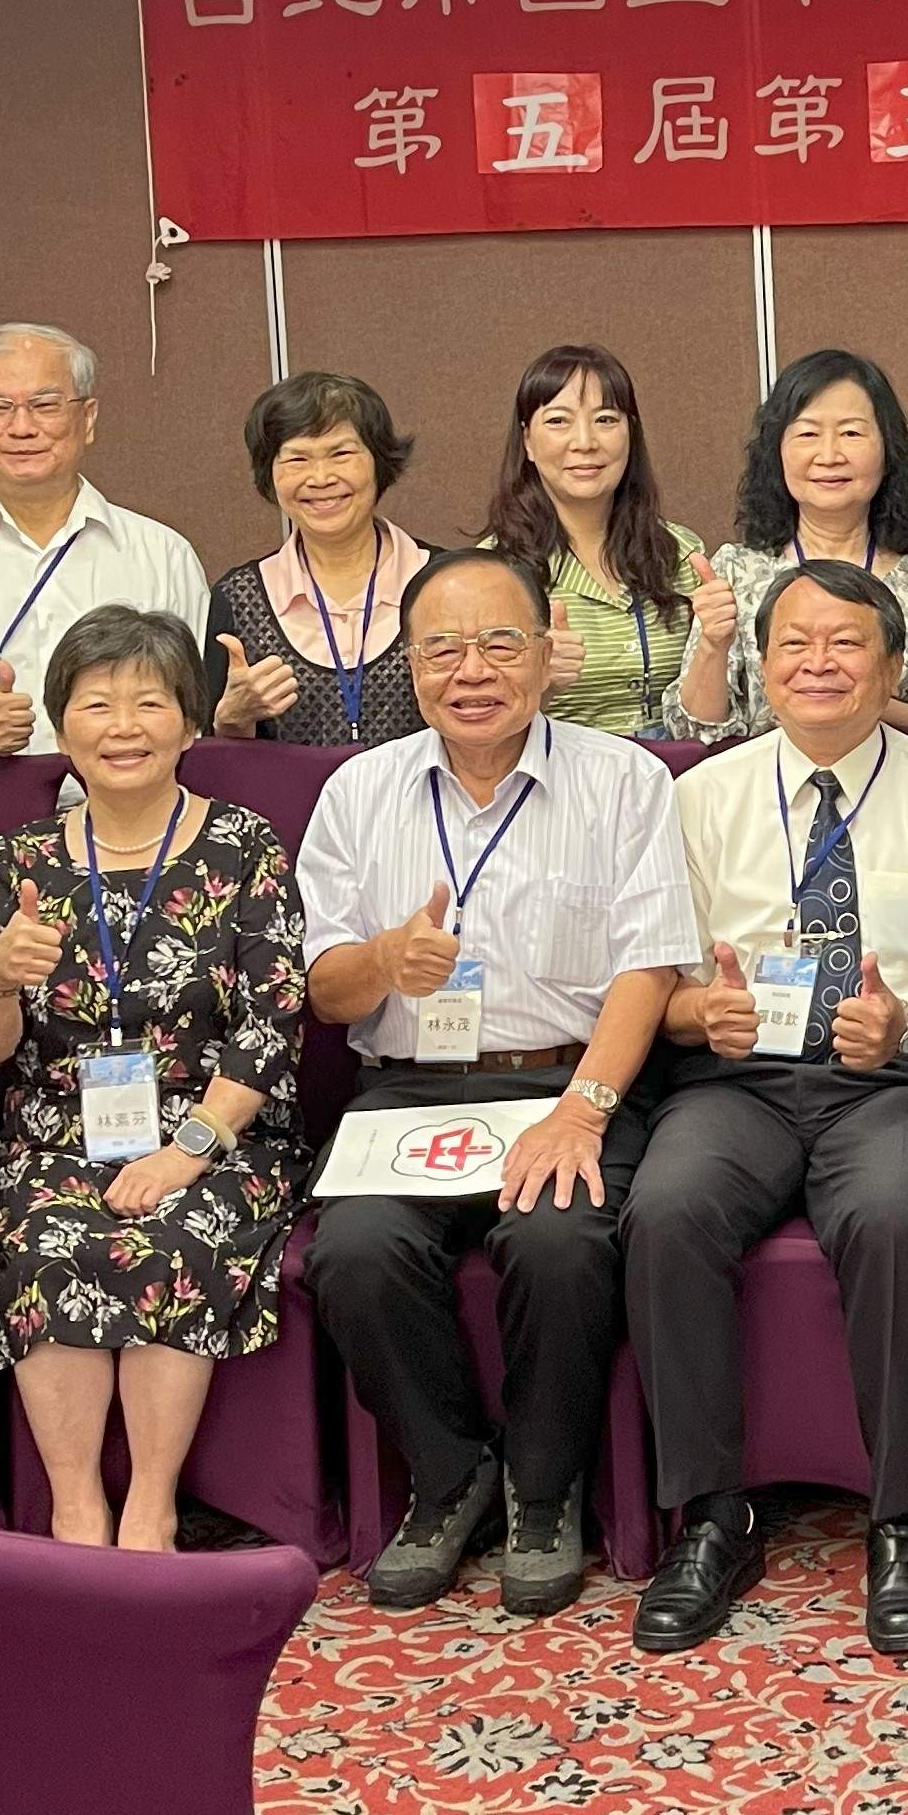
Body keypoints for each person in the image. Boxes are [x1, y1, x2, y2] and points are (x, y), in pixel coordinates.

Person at [298, 546, 696, 1618]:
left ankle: (544, 1488)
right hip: (409, 1087)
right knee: (353, 1251)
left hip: (568, 1079)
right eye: (442, 649)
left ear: (548, 652)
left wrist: (584, 1112)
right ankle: (449, 1474)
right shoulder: (357, 792)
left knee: (559, 1240)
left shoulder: (623, 780)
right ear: (408, 663)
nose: (471, 671)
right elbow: (327, 990)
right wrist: (386, 961)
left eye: (498, 643)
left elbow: (650, 968)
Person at [634, 561, 908, 1656]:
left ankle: (902, 1520)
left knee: (892, 1216)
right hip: (738, 1083)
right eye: (793, 644)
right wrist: (701, 1015)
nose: (818, 664)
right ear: (760, 665)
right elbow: (658, 990)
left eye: (845, 643)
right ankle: (713, 1516)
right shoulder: (701, 796)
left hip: (897, 1082)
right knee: (666, 1209)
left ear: (893, 667)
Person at [0, 606, 306, 1548]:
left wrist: (186, 1152)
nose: (123, 727)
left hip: (218, 1132)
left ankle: (152, 1505)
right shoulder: (21, 861)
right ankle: (75, 1505)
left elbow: (272, 1020)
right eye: (96, 704)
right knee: (44, 1245)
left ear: (189, 723)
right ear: (61, 727)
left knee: (173, 1237)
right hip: (57, 1135)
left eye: (149, 703)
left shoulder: (243, 845)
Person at [0, 323, 207, 755]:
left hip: (129, 789)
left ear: (88, 418)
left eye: (45, 405)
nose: (22, 427)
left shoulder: (163, 556)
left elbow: (197, 704)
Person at [673, 350, 908, 736]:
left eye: (851, 433)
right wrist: (713, 644)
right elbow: (695, 733)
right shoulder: (737, 570)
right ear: (777, 451)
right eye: (808, 434)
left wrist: (850, 698)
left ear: (887, 449)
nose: (829, 456)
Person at [472, 343, 715, 739]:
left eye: (605, 419)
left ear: (630, 433)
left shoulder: (680, 552)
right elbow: (478, 725)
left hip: (676, 770)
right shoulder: (493, 572)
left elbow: (709, 723)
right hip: (557, 771)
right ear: (528, 441)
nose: (585, 442)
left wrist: (715, 644)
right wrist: (542, 685)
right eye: (558, 421)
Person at [206, 372, 430, 748]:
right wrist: (231, 721)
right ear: (269, 474)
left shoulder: (440, 580)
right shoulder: (238, 597)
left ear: (379, 462)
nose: (321, 478)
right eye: (297, 459)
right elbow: (213, 761)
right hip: (286, 791)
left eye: (341, 454)